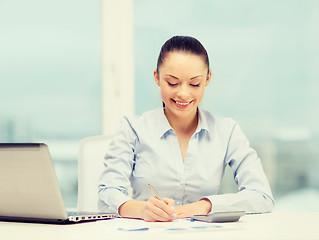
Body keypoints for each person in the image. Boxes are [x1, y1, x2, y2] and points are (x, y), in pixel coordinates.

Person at [98, 36, 274, 222]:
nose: (183, 93)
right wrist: (142, 209)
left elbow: (261, 195)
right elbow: (107, 194)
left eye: (194, 84)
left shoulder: (227, 131)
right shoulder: (133, 128)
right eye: (172, 83)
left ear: (208, 79)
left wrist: (206, 206)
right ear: (157, 77)